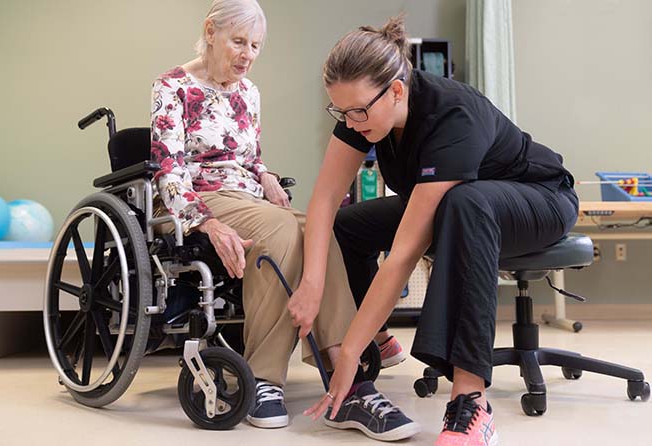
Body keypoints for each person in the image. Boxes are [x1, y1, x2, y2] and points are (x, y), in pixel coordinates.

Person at [300, 15, 578, 446]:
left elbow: (404, 255)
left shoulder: (452, 115)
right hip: (462, 205)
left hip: (539, 199)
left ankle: (472, 402)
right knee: (347, 226)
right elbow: (323, 200)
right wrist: (312, 283)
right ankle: (381, 339)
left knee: (464, 202)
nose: (350, 121)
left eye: (357, 111)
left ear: (395, 90)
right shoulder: (366, 111)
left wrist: (348, 352)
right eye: (341, 111)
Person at [150, 0, 385, 432]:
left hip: (248, 197)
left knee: (317, 229)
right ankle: (263, 380)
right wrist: (206, 222)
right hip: (197, 198)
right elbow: (168, 169)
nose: (247, 54)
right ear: (210, 31)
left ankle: (343, 369)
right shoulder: (172, 87)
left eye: (255, 46)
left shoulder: (249, 93)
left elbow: (250, 158)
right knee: (280, 229)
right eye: (238, 42)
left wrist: (267, 175)